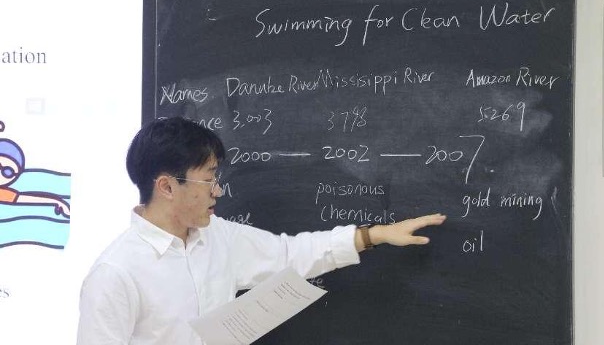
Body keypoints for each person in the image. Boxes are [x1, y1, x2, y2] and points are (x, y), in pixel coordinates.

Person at [76, 117, 446, 345]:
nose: (218, 191)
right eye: (208, 179)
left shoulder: (218, 237)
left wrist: (375, 235)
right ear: (167, 186)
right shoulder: (115, 273)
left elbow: (291, 254)